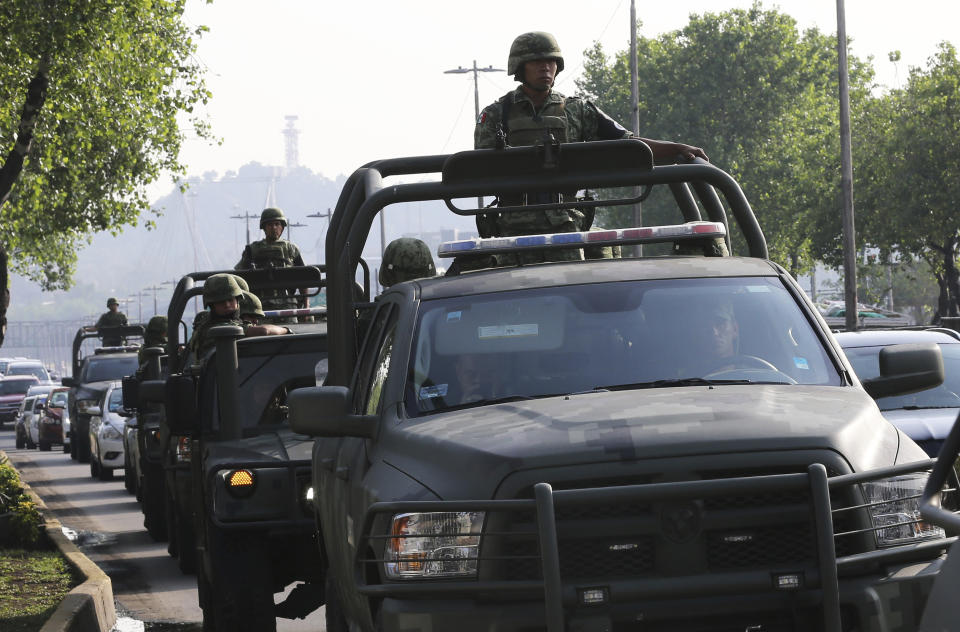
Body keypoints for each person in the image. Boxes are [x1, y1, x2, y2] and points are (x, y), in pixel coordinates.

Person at [474, 31, 709, 262]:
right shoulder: (496, 114)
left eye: (551, 61)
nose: (545, 67)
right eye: (537, 61)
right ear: (520, 67)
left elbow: (628, 145)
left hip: (566, 225)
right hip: (513, 228)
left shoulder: (577, 110)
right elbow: (481, 168)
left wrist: (676, 149)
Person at [188, 274, 289, 358]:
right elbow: (264, 331)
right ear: (212, 304)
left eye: (230, 300)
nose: (227, 305)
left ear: (237, 300)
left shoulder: (204, 323)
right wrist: (286, 330)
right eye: (221, 302)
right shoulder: (222, 326)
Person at [234, 207, 307, 323]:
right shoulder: (251, 250)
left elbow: (305, 278)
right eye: (269, 225)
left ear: (282, 226)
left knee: (291, 334)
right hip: (260, 304)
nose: (274, 228)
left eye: (277, 224)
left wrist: (306, 308)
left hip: (287, 303)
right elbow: (239, 277)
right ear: (264, 227)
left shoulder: (292, 249)